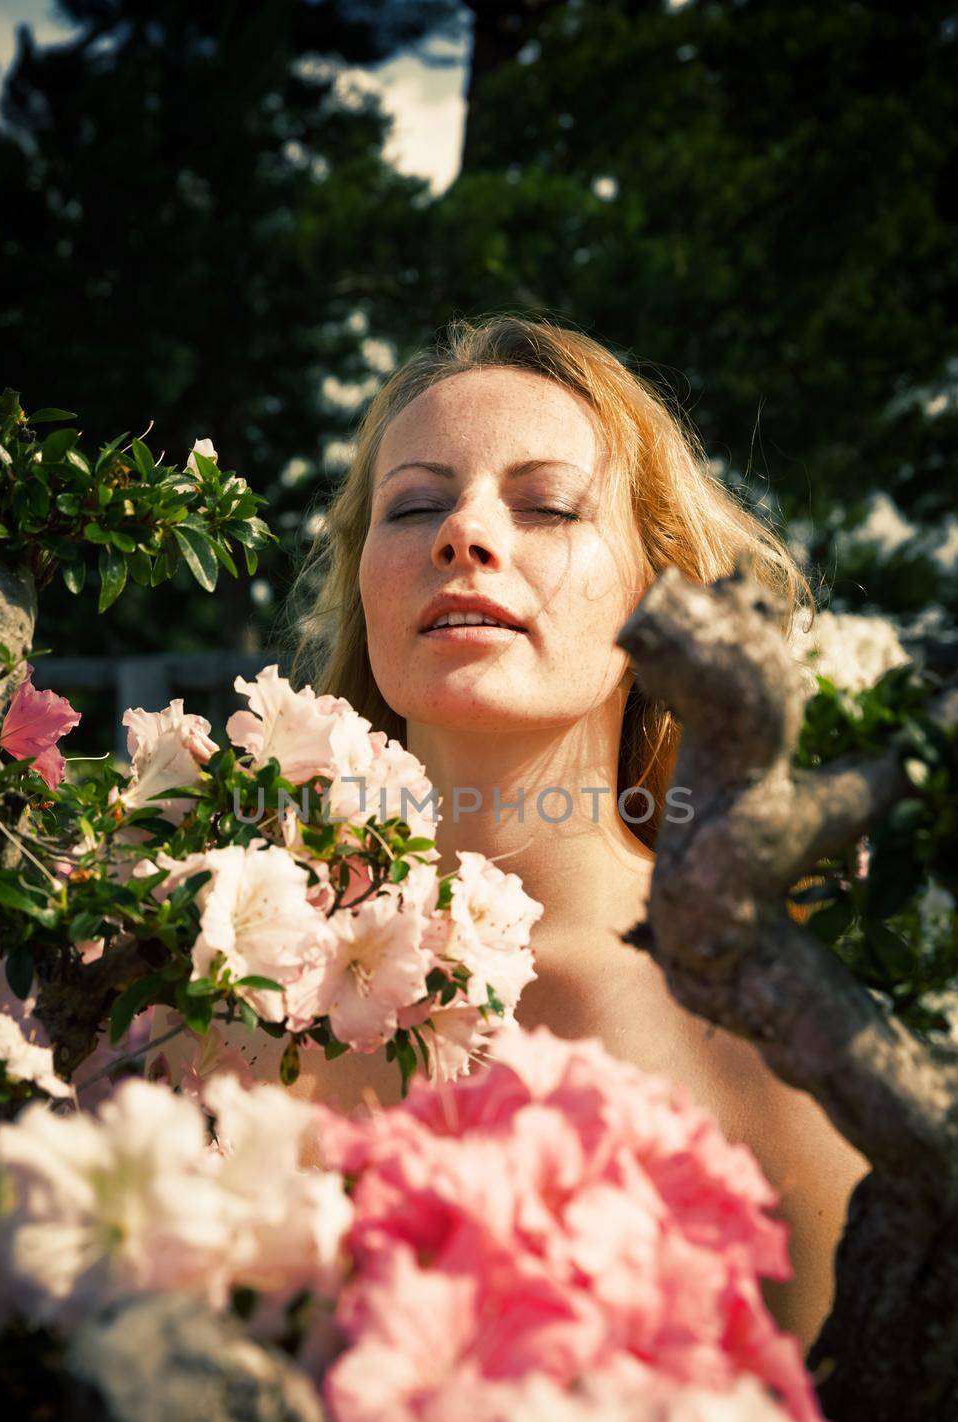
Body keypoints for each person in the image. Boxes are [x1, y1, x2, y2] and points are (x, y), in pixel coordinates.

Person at [282, 313, 871, 1357]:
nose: (460, 536)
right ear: (360, 586)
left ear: (661, 599)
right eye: (412, 504)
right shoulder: (220, 968)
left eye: (547, 506)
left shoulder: (769, 1035)